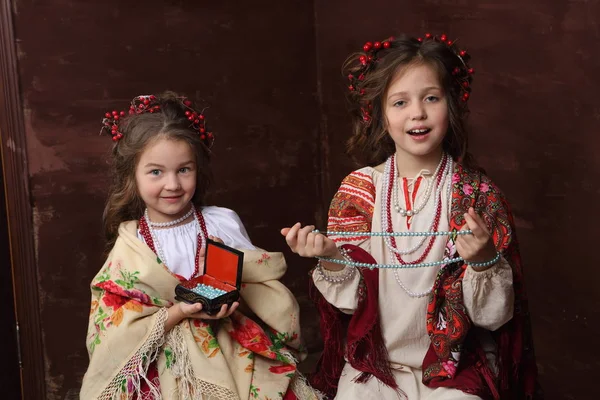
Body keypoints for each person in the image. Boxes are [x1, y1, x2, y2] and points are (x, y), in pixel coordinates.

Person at [282, 34, 541, 399]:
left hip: (454, 368)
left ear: (450, 105)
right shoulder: (360, 191)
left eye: (431, 98)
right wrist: (333, 256)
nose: (417, 112)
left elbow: (493, 318)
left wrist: (483, 261)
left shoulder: (476, 196)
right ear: (379, 115)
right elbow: (350, 304)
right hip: (376, 368)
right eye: (400, 102)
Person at [81, 92, 318, 399]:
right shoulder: (133, 241)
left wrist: (231, 269)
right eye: (156, 172)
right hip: (165, 361)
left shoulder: (221, 223)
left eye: (184, 169)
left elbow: (262, 292)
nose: (172, 184)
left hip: (231, 349)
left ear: (197, 169)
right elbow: (115, 320)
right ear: (133, 177)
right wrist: (178, 312)